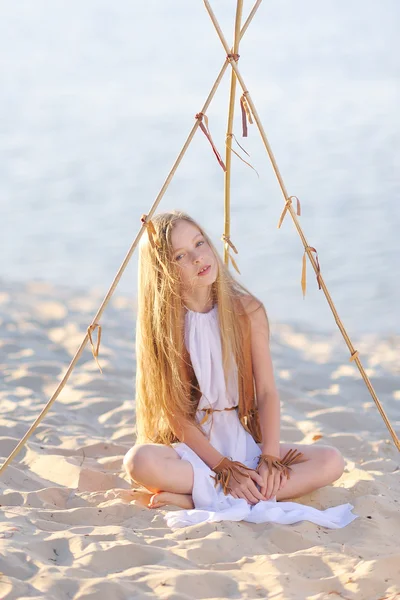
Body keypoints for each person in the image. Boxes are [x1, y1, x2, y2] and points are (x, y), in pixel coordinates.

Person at [123, 210, 357, 529]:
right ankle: (222, 491)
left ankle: (196, 497)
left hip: (241, 440)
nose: (197, 257)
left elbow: (267, 392)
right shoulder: (166, 326)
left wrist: (270, 457)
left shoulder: (247, 310)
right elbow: (175, 413)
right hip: (196, 448)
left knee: (331, 461)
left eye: (200, 243)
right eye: (180, 255)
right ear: (164, 270)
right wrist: (221, 466)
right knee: (139, 462)